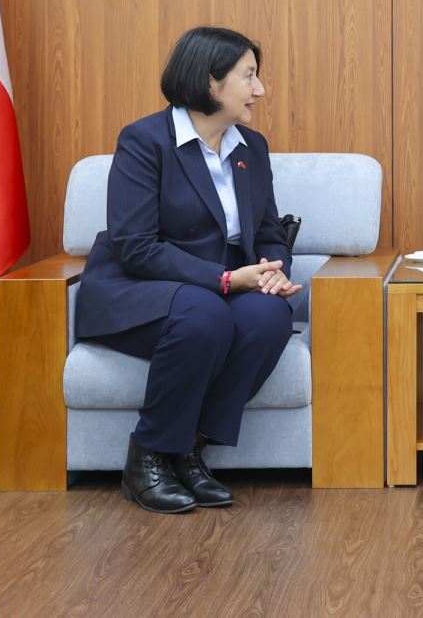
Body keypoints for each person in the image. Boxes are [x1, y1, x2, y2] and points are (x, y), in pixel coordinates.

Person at [74, 26, 299, 514]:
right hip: (139, 287)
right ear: (211, 82)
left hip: (217, 288)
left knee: (268, 317)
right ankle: (148, 454)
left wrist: (271, 271)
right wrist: (223, 280)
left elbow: (267, 231)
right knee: (204, 314)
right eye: (249, 77)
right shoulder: (144, 141)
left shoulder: (251, 147)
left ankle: (189, 449)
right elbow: (134, 246)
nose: (260, 90)